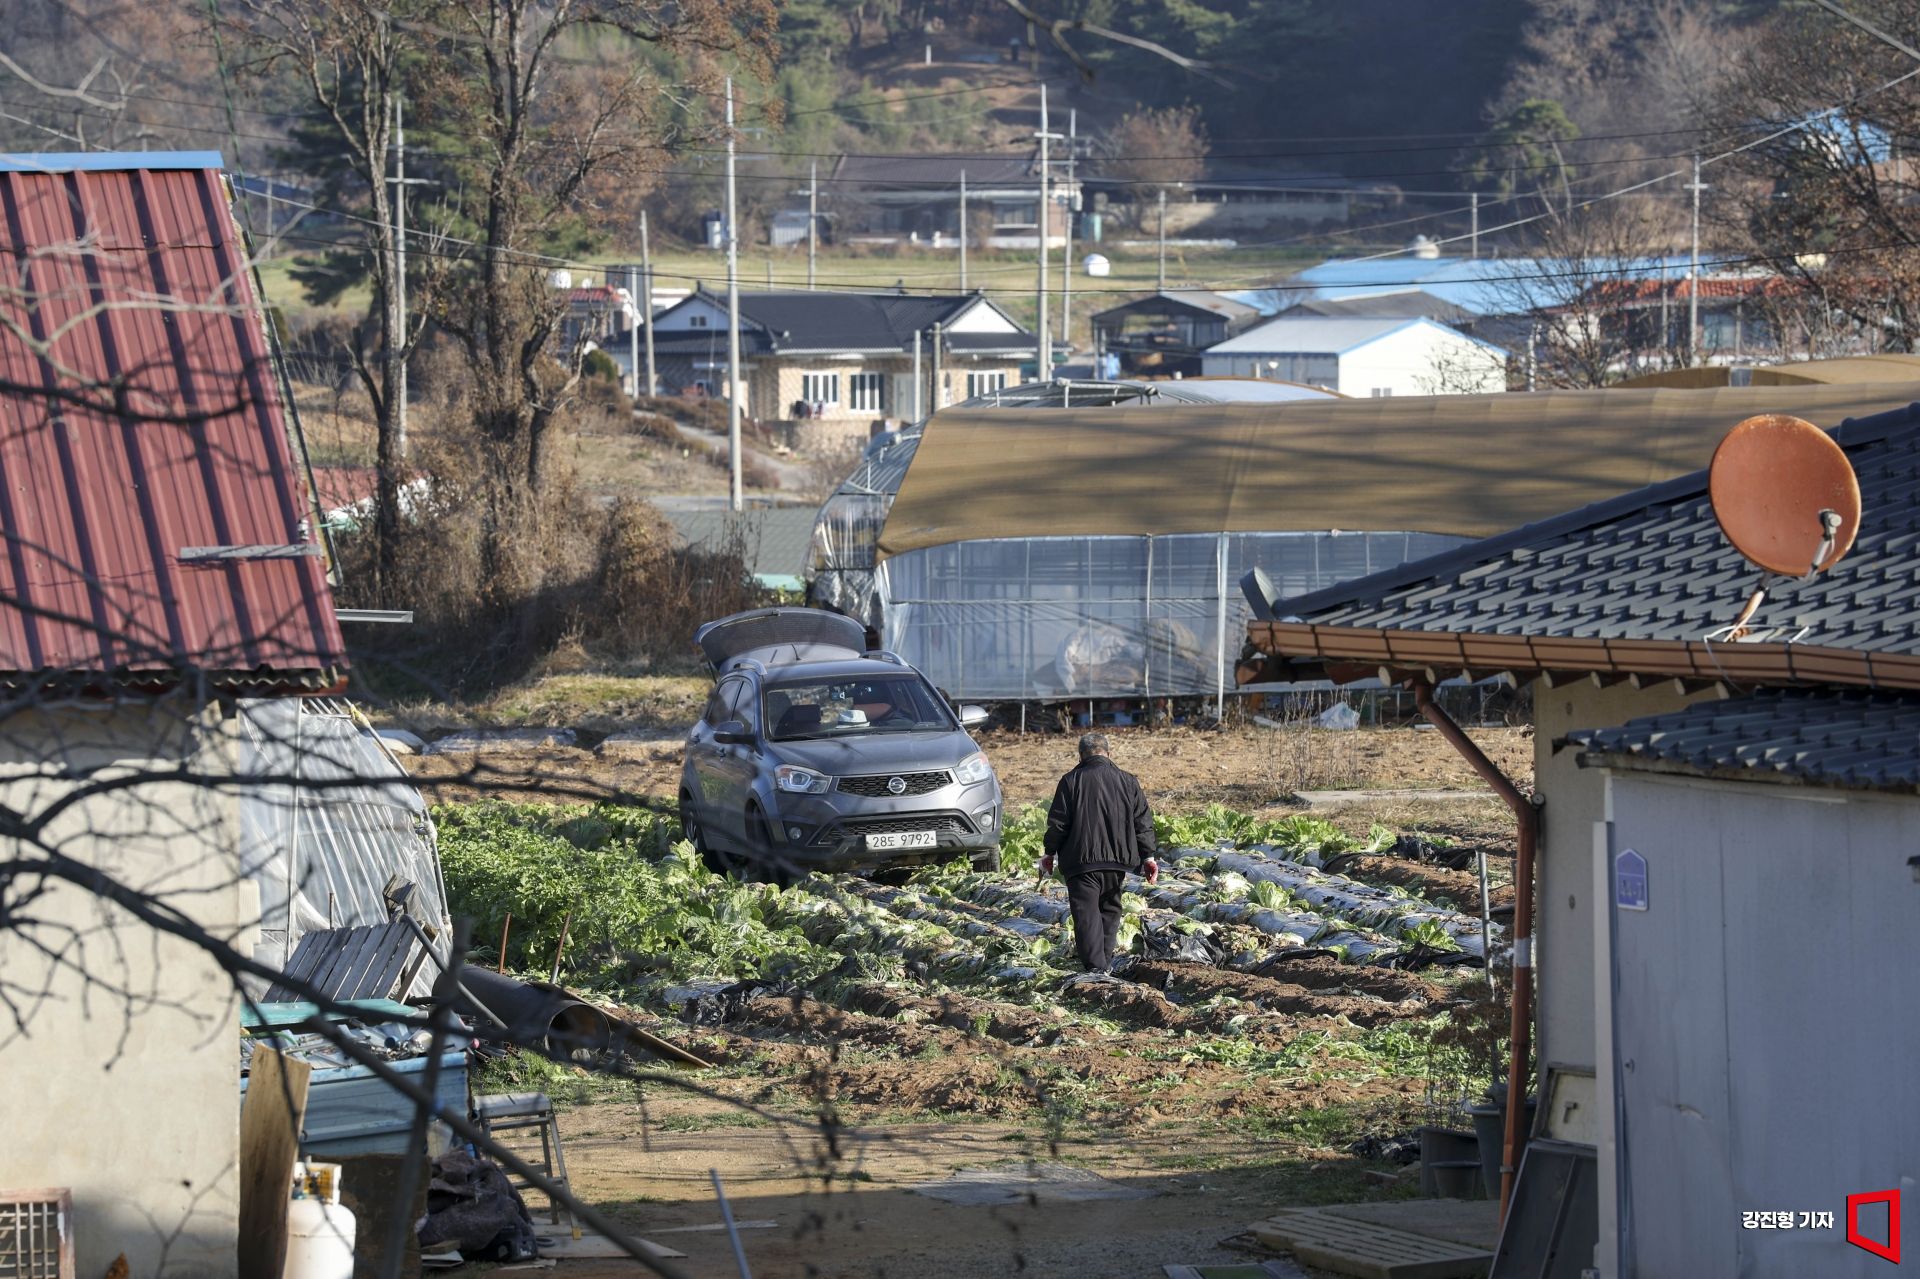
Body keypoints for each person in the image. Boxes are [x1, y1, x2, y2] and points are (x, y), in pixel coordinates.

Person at [1039, 733, 1159, 973]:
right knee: (1110, 910)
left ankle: (1096, 969)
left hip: (1081, 861)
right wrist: (1148, 857)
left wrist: (1049, 852)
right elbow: (1142, 823)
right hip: (1117, 861)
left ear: (1081, 755)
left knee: (1087, 914)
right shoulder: (1128, 781)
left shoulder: (1071, 780)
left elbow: (1058, 824)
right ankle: (1103, 965)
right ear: (1108, 753)